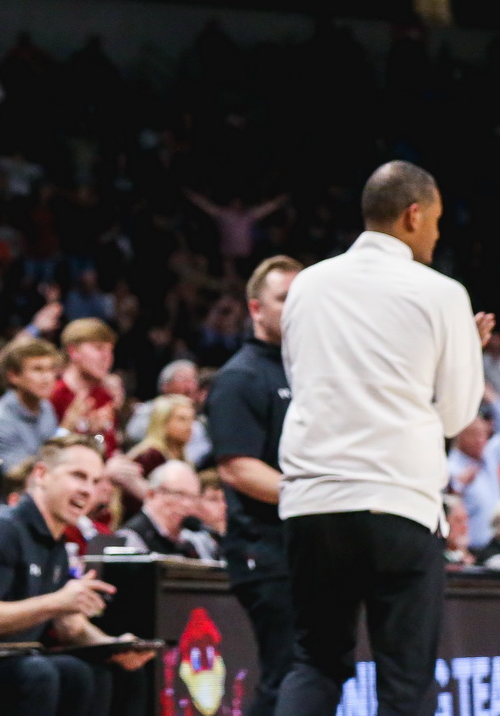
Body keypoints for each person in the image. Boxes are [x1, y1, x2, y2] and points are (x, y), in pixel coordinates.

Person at [273, 162, 491, 716]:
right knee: (404, 682)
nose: (437, 235)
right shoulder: (442, 293)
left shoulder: (307, 285)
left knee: (314, 662)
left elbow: (300, 379)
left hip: (313, 502)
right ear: (413, 215)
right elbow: (456, 415)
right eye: (435, 221)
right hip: (397, 503)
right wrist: (462, 352)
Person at [0, 435, 155, 715]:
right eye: (78, 476)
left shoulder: (56, 543)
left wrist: (114, 646)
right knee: (47, 672)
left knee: (113, 670)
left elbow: (70, 626)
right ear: (42, 475)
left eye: (95, 481)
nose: (87, 490)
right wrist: (58, 601)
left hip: (25, 660)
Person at [202, 253, 300, 716]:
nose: (296, 308)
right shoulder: (241, 376)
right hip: (265, 549)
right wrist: (318, 497)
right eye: (284, 298)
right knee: (288, 673)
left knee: (313, 672)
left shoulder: (309, 369)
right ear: (256, 309)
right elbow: (238, 468)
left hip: (307, 545)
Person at [0, 339, 61, 478]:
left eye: (51, 369)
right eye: (38, 369)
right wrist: (65, 430)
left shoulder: (45, 406)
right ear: (13, 376)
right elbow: (19, 476)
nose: (47, 378)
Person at [117, 394, 194, 520]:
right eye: (182, 419)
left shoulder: (182, 459)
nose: (189, 427)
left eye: (191, 420)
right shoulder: (150, 457)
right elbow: (131, 504)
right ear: (163, 422)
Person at [49, 318, 119, 454]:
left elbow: (109, 449)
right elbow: (47, 452)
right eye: (98, 348)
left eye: (110, 350)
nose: (107, 357)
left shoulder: (103, 396)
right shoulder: (53, 395)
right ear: (73, 351)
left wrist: (97, 434)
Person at [123, 359, 210, 463]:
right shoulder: (148, 411)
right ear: (165, 385)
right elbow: (133, 434)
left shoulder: (200, 419)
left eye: (193, 380)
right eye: (184, 379)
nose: (190, 386)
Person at [115, 460, 206, 558]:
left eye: (192, 497)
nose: (187, 504)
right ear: (152, 494)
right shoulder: (131, 537)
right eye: (179, 494)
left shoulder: (191, 541)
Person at [447, 411, 500, 554]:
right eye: (474, 435)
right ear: (460, 435)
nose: (480, 440)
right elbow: (447, 504)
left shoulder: (488, 457)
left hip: (494, 544)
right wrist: (457, 485)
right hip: (469, 549)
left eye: (484, 435)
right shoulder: (450, 468)